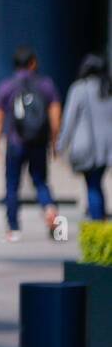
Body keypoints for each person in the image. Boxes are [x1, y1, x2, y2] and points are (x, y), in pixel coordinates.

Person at [0, 46, 62, 241]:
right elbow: (55, 114)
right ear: (33, 63)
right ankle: (50, 209)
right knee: (40, 181)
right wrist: (54, 141)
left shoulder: (7, 86)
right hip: (39, 142)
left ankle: (13, 230)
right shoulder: (46, 85)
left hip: (15, 142)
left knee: (12, 185)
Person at [56, 54, 112, 222]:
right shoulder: (108, 89)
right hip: (107, 147)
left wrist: (60, 145)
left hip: (87, 147)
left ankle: (97, 222)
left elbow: (69, 120)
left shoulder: (79, 89)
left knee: (92, 186)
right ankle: (100, 219)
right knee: (97, 183)